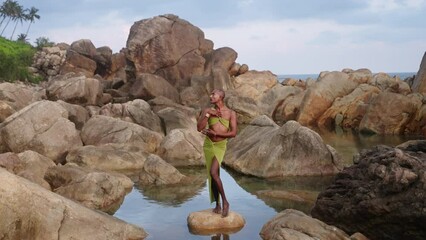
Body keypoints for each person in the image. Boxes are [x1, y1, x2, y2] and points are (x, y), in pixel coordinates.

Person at [197, 89, 237, 217]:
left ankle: (225, 202)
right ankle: (217, 205)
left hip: (220, 146)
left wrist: (216, 133)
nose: (211, 96)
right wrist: (208, 114)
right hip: (209, 145)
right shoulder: (207, 110)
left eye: (213, 94)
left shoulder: (231, 113)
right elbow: (199, 128)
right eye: (211, 94)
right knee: (212, 175)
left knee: (214, 173)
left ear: (221, 97)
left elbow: (233, 133)